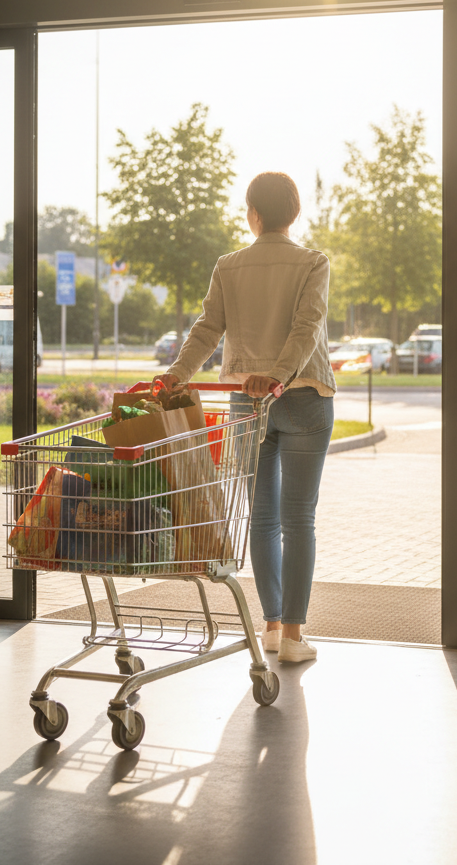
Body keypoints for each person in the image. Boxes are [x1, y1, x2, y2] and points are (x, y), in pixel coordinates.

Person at [155, 171, 336, 663]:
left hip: (245, 402)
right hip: (303, 396)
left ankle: (272, 625)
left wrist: (177, 374)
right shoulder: (313, 263)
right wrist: (278, 375)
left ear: (252, 214)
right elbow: (308, 327)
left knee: (262, 515)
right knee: (299, 518)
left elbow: (207, 328)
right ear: (294, 214)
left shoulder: (228, 266)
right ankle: (294, 637)